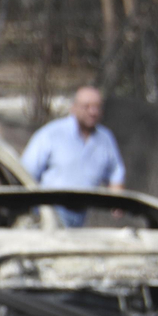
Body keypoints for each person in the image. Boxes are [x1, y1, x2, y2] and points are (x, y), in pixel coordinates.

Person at [19, 85, 125, 226]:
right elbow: (26, 172)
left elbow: (115, 172)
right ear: (74, 107)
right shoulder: (52, 134)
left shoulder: (105, 139)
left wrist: (116, 201)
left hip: (81, 214)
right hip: (49, 212)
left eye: (97, 107)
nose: (93, 112)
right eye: (87, 107)